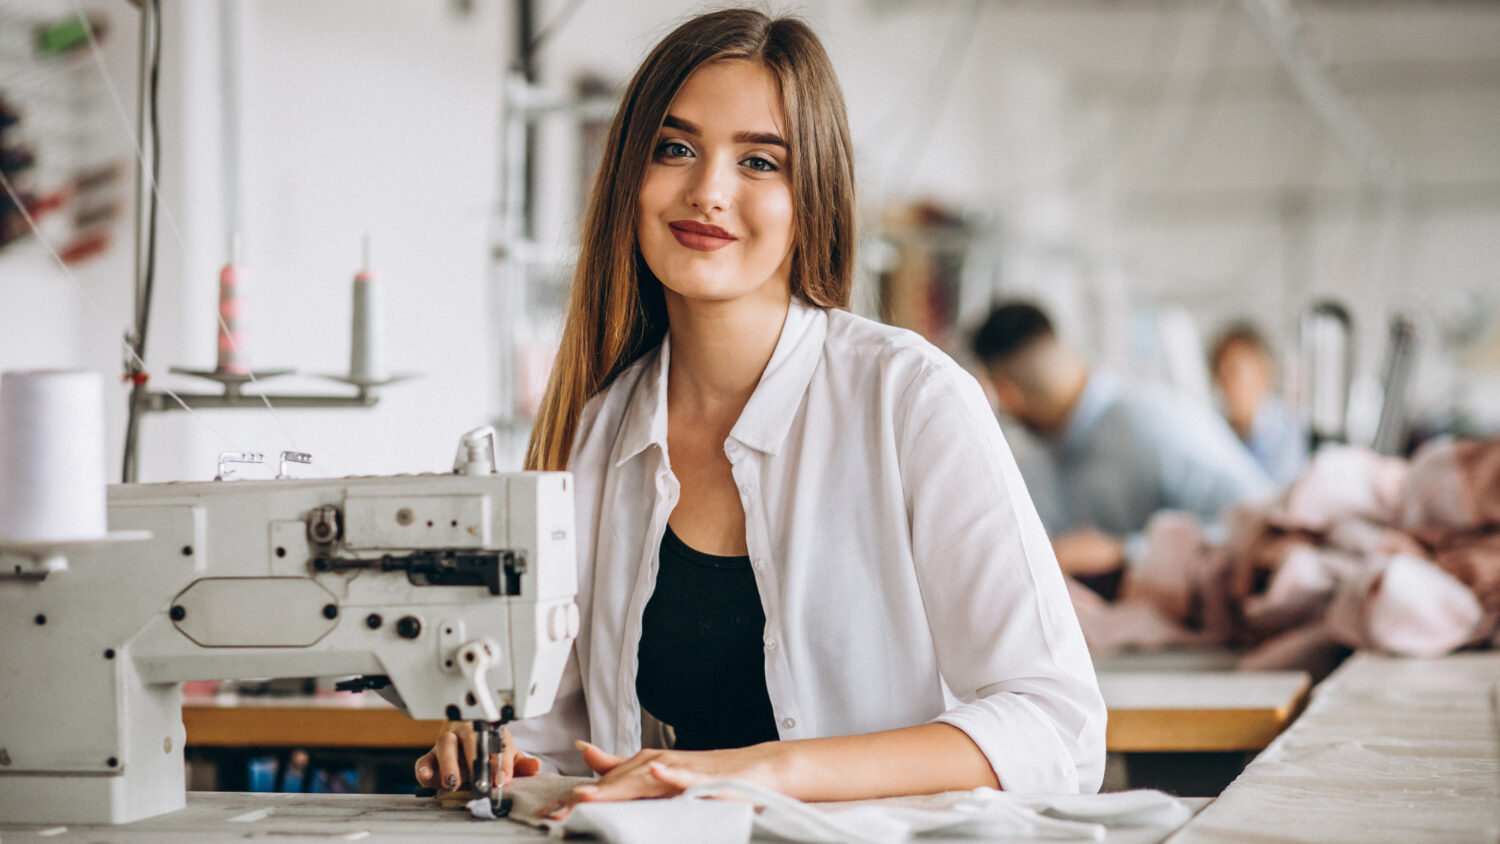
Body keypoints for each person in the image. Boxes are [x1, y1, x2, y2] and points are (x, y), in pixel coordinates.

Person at [415, 8, 1104, 811]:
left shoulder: (911, 400)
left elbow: (1056, 727)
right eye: (675, 149)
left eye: (759, 162)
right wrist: (497, 747)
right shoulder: (596, 430)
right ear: (630, 178)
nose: (708, 191)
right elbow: (560, 730)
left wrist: (769, 770)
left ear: (812, 195)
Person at [971, 302, 1275, 585]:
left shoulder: (1154, 424)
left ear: (1007, 393)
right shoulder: (1042, 457)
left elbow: (1264, 522)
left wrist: (1125, 554)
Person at [1208, 322, 1308, 487]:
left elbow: (1275, 492)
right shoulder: (1219, 430)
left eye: (1235, 371)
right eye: (1220, 373)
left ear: (1263, 371)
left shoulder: (1288, 430)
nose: (1227, 384)